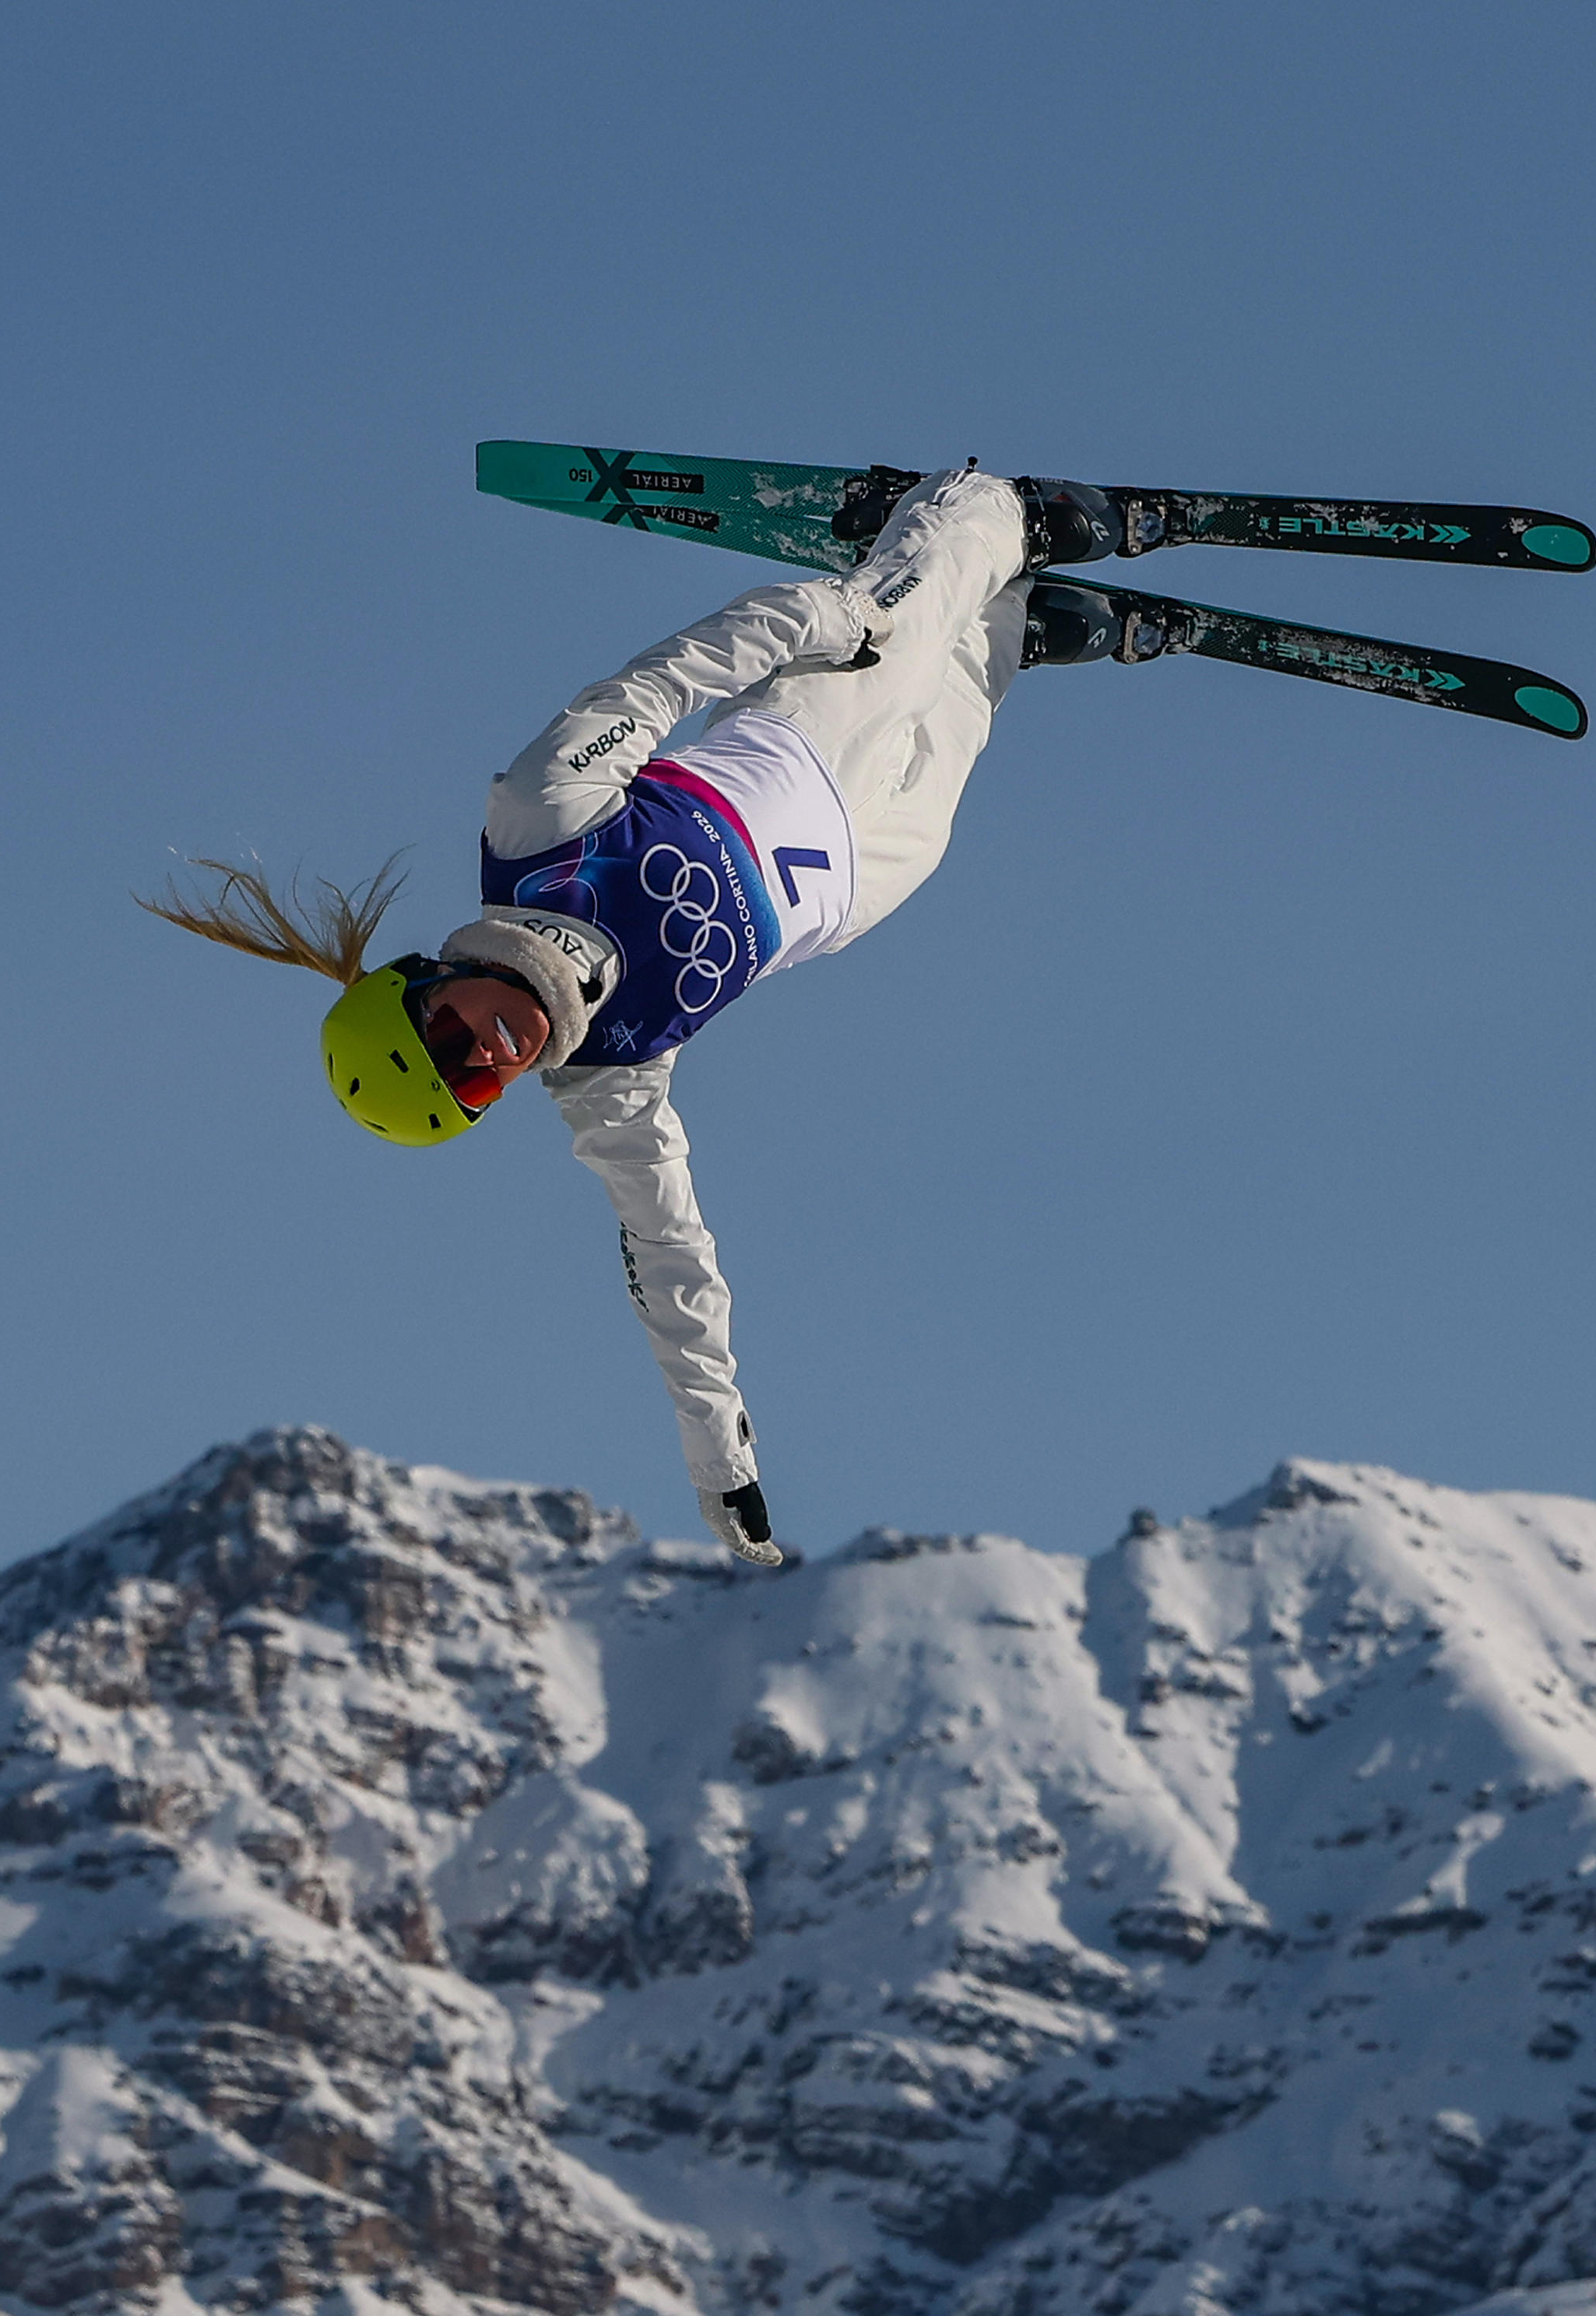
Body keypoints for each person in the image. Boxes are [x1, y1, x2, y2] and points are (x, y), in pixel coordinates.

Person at [149, 466, 1135, 1564]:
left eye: (446, 1037)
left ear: (424, 983)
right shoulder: (610, 1080)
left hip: (809, 727)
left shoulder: (535, 831)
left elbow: (668, 677)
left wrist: (821, 614)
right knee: (961, 711)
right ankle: (1006, 620)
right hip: (865, 874)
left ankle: (998, 513)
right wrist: (726, 1467)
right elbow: (673, 1265)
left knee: (912, 611)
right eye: (471, 1082)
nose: (484, 1049)